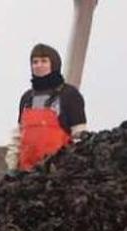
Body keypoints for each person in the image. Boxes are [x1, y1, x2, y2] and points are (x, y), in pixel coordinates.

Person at [7, 43, 87, 172]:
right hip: (27, 174)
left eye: (44, 61)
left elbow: (79, 134)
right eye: (35, 62)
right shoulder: (27, 98)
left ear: (54, 64)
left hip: (59, 173)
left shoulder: (70, 94)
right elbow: (18, 136)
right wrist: (11, 166)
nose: (38, 65)